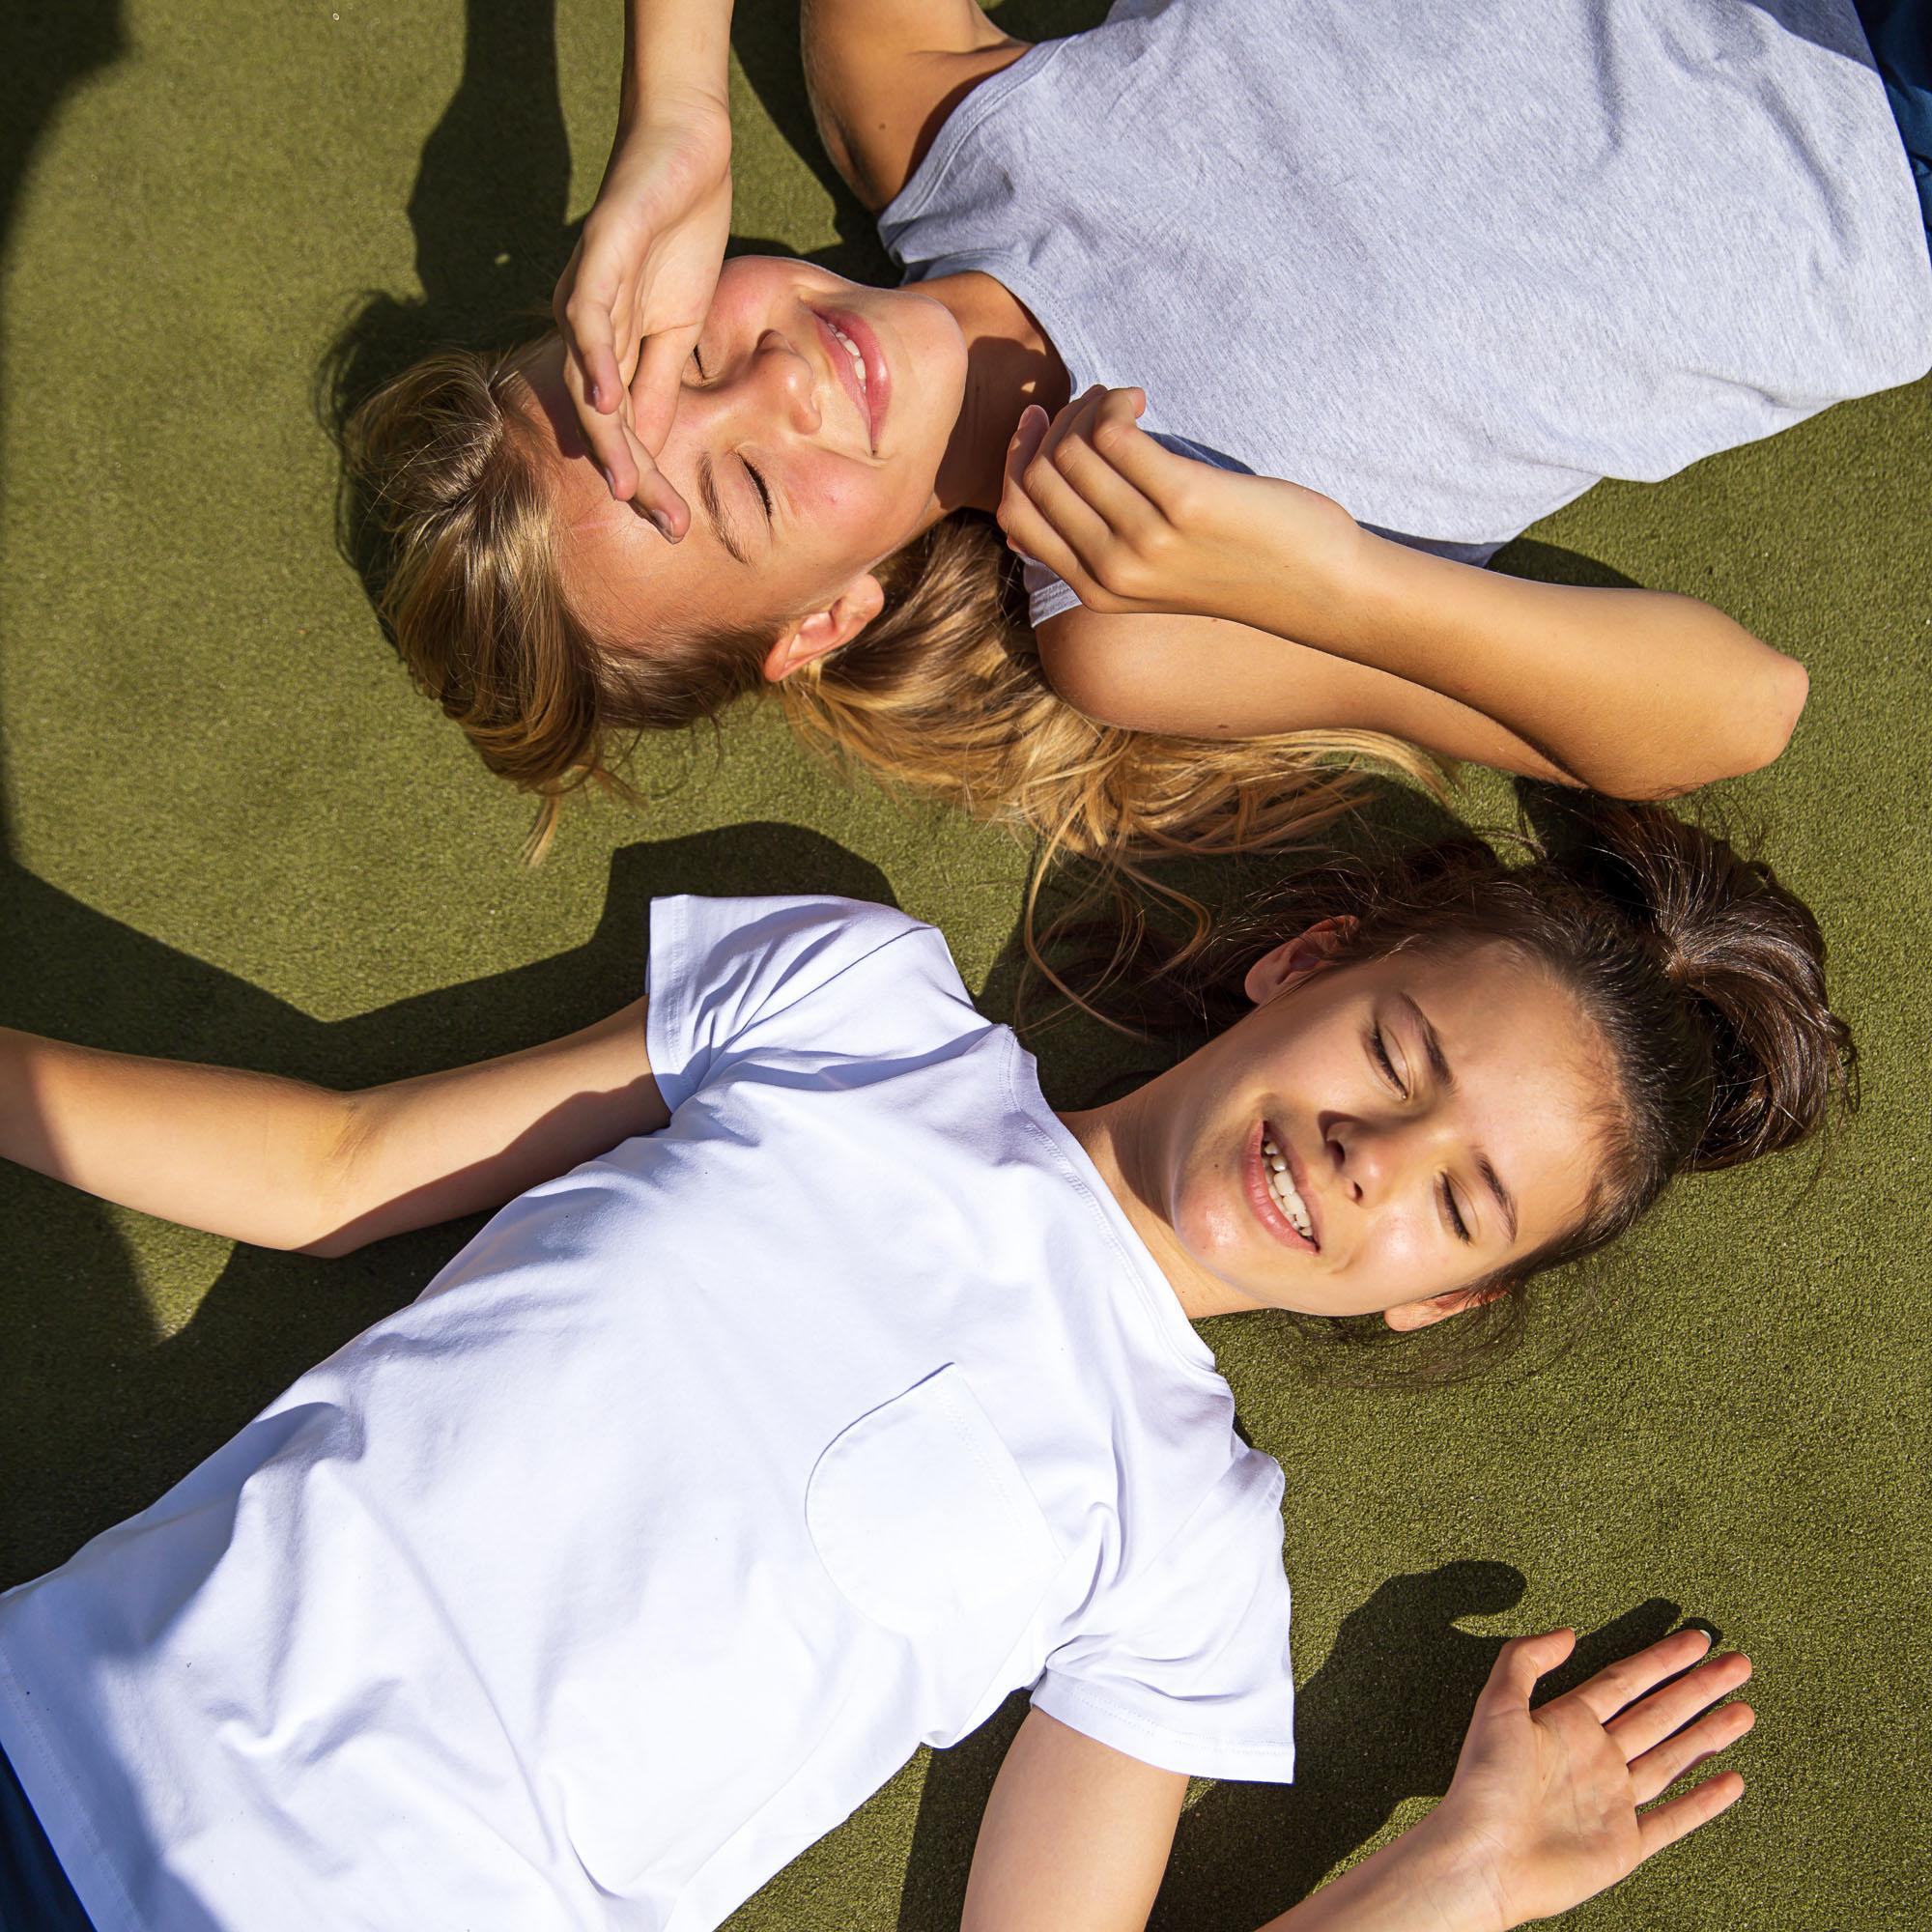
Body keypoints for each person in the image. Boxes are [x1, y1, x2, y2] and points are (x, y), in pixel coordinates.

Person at [0, 802, 1851, 1930]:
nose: (1378, 1156)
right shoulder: (849, 1007)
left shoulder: (1190, 1548)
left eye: (1461, 1205)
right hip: (48, 1731)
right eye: (1399, 1053)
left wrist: (1445, 1888)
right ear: (1307, 958)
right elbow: (332, 1176)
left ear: (1434, 1303)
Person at [344, 0, 1929, 865]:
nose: (783, 385)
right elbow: (1734, 713)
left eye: (680, 353)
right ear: (822, 620)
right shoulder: (1130, 623)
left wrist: (678, 101)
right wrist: (1336, 584)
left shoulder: (928, 116)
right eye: (751, 486)